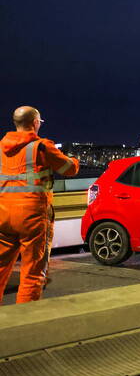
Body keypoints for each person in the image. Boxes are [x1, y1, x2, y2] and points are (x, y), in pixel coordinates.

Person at [1, 106, 79, 304]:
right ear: (35, 123)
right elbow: (69, 169)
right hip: (32, 217)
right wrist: (74, 160)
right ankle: (25, 323)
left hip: (3, 214)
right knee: (33, 272)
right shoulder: (41, 147)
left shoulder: (1, 147)